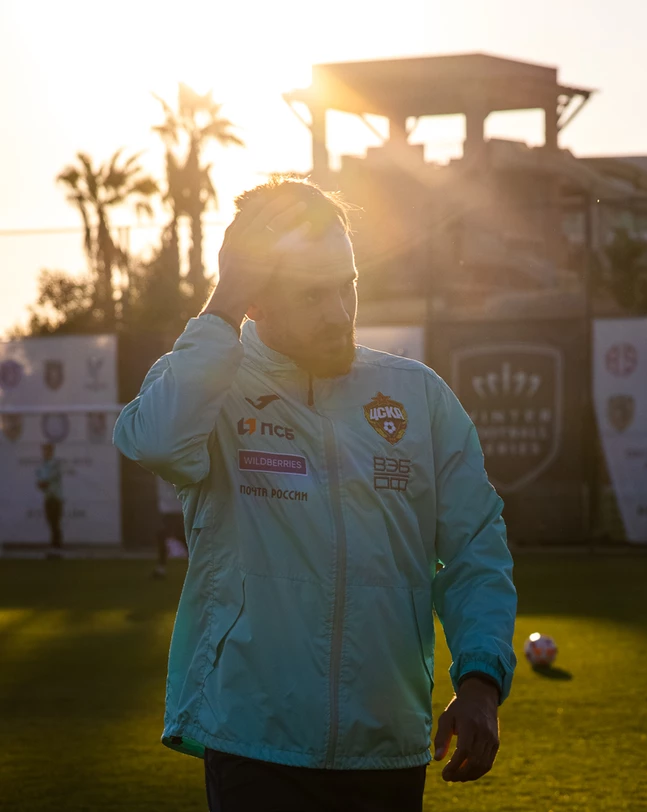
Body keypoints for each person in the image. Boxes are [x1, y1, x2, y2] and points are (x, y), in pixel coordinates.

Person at [113, 177, 517, 812]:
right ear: (255, 300)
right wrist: (222, 301)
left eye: (345, 285)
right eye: (310, 293)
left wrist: (481, 679)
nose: (337, 311)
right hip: (254, 740)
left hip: (387, 743)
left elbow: (474, 548)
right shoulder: (209, 385)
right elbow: (156, 442)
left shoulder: (417, 395)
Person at [152, 475, 187, 579]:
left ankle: (161, 568)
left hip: (174, 509)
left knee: (164, 535)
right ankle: (161, 568)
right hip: (169, 509)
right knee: (177, 537)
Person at [35, 442, 64, 558]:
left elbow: (47, 480)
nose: (45, 453)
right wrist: (42, 483)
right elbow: (40, 483)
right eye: (44, 451)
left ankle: (57, 547)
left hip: (56, 497)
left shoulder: (55, 465)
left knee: (55, 523)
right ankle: (55, 546)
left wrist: (43, 483)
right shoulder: (42, 466)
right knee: (51, 522)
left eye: (47, 451)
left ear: (51, 452)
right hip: (47, 498)